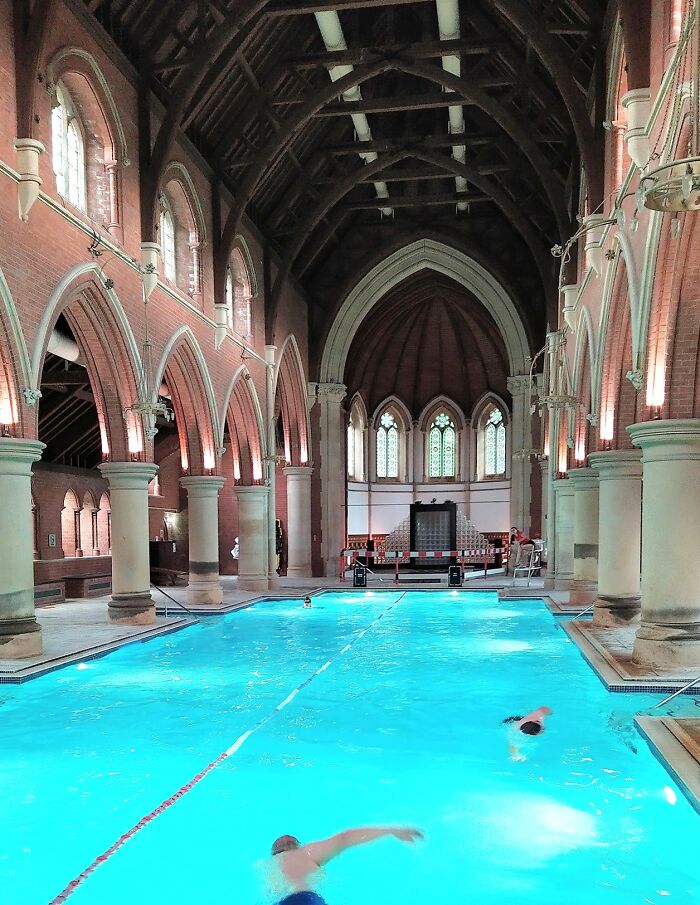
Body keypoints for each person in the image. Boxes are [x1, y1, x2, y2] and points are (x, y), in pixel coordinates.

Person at [267, 825, 423, 904]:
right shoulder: (306, 852)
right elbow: (344, 838)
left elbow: (344, 838)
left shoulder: (269, 865)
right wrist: (390, 830)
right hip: (307, 900)